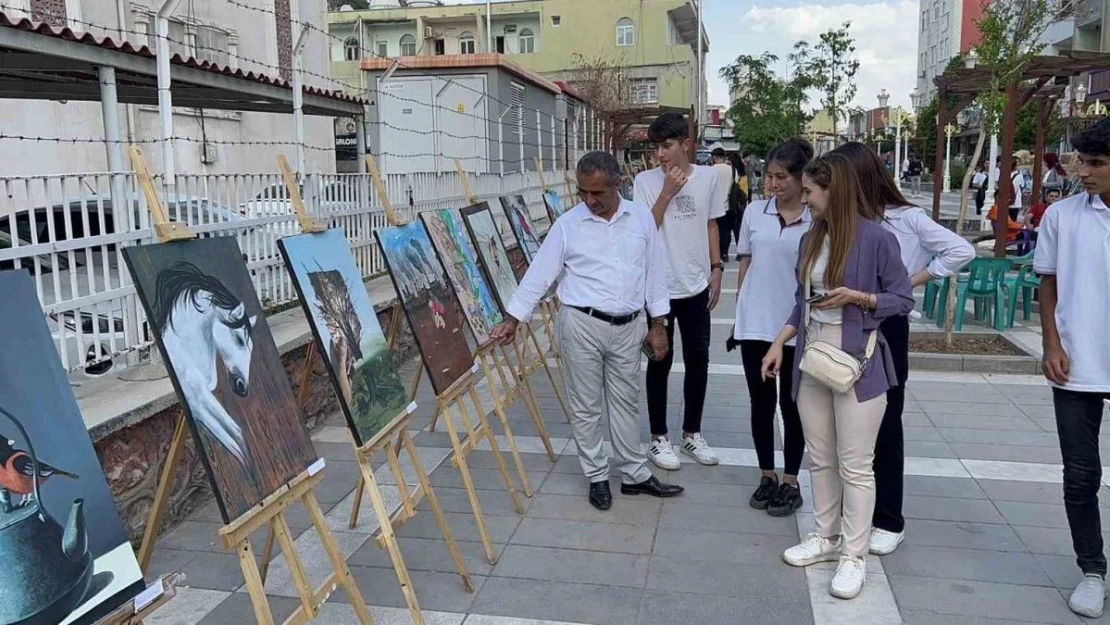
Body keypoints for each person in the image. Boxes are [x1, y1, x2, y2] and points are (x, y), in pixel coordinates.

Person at [489, 151, 684, 511]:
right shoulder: (568, 225)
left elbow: (655, 274)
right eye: (583, 193)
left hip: (629, 326)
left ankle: (634, 474)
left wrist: (659, 325)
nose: (590, 201)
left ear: (617, 185)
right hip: (581, 324)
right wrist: (513, 317)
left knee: (625, 401)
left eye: (598, 193)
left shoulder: (641, 219)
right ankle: (596, 475)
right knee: (585, 405)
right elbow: (539, 276)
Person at [760, 153, 914, 600]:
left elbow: (902, 299)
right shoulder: (812, 237)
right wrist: (778, 343)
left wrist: (861, 298)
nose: (803, 199)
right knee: (821, 457)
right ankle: (825, 539)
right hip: (813, 358)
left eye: (809, 191)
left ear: (835, 191)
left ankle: (853, 555)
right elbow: (800, 300)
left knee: (856, 464)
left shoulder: (876, 239)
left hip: (859, 363)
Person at [831, 142, 975, 555]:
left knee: (887, 424)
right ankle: (851, 512)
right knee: (846, 422)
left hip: (888, 325)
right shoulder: (843, 219)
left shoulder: (906, 218)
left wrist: (909, 282)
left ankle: (889, 519)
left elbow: (960, 250)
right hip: (846, 324)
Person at [1035, 117, 1110, 618]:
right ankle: (1092, 570)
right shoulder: (1062, 216)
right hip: (1077, 363)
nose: (1083, 171)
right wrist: (1051, 343)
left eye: (1096, 163)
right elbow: (1048, 283)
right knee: (1081, 475)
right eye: (1083, 161)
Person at [634, 112, 726, 469]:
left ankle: (692, 434)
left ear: (686, 144)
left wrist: (716, 269)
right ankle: (659, 438)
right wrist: (667, 192)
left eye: (667, 145)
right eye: (657, 146)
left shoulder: (707, 179)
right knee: (660, 360)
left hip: (697, 285)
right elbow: (645, 227)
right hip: (659, 288)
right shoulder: (645, 181)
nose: (660, 154)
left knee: (698, 361)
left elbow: (711, 224)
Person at [733, 138, 813, 517]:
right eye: (769, 176)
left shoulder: (818, 217)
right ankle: (766, 475)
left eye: (782, 177)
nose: (774, 184)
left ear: (801, 179)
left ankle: (791, 481)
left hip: (796, 325)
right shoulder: (754, 212)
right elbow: (746, 264)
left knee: (793, 404)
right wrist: (740, 312)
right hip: (755, 325)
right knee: (761, 404)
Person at [711, 148, 738, 261]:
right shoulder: (732, 169)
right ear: (724, 156)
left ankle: (716, 254)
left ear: (713, 157)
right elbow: (735, 184)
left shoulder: (711, 170)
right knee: (725, 231)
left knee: (713, 230)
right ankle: (725, 253)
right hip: (728, 204)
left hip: (713, 205)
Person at [995, 155, 1025, 220]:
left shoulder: (1003, 173)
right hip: (1015, 202)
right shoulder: (1019, 175)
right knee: (1012, 221)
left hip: (1003, 201)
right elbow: (1020, 187)